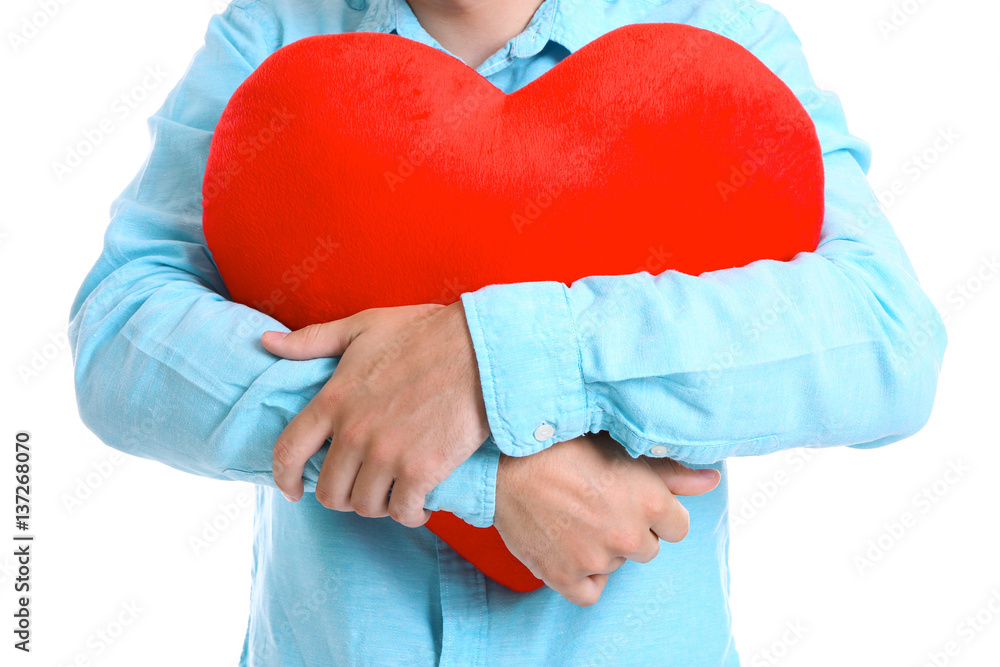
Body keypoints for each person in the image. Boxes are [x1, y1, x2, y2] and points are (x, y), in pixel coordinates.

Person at [67, 0, 947, 664]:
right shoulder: (274, 34)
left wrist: (491, 356)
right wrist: (479, 474)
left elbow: (886, 337)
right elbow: (122, 332)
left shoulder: (716, 33)